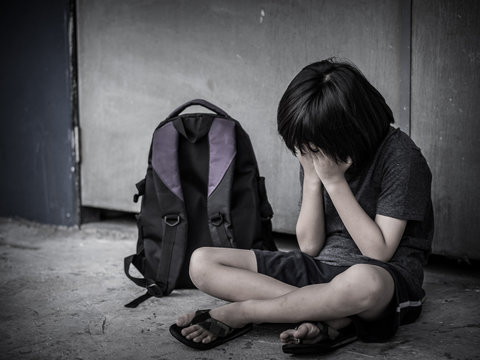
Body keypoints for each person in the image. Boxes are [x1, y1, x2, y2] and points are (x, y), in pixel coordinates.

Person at [169, 58, 434, 354]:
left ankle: (247, 312)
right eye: (304, 148)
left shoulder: (402, 158)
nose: (310, 154)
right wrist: (311, 178)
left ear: (350, 131)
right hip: (319, 267)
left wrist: (334, 182)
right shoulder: (316, 148)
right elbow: (309, 246)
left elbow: (378, 252)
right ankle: (332, 317)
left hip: (383, 278)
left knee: (365, 281)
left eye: (316, 148)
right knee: (202, 262)